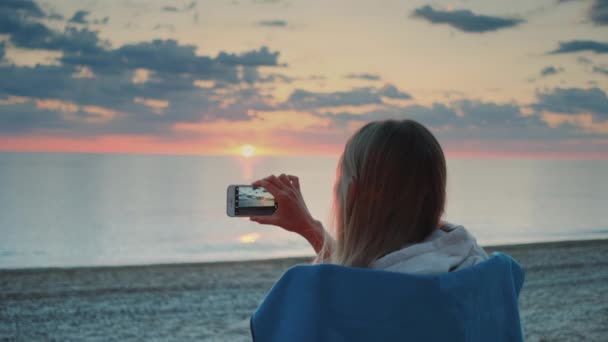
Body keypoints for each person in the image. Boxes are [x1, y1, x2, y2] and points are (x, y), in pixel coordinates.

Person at [250, 119, 488, 273]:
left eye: (339, 181)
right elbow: (366, 273)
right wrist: (309, 226)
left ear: (353, 193)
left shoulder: (338, 298)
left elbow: (353, 284)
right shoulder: (476, 264)